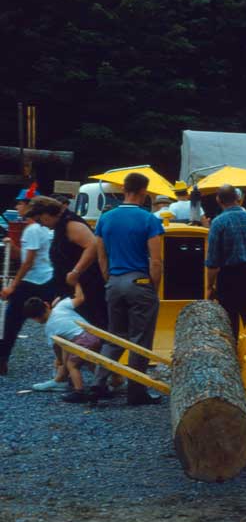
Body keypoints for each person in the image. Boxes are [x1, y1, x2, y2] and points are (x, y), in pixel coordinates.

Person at [94, 172, 164, 404]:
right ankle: (136, 392)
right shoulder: (149, 219)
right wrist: (153, 287)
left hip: (114, 281)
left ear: (124, 189)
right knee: (140, 339)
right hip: (139, 282)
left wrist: (109, 279)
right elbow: (156, 260)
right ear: (144, 191)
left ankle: (98, 384)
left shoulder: (106, 218)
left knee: (114, 336)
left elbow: (101, 256)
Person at [25, 196, 108, 330]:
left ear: (46, 213)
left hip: (88, 286)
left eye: (39, 220)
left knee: (94, 324)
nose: (41, 224)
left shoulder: (70, 224)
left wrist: (76, 271)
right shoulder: (60, 225)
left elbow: (93, 245)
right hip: (73, 286)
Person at [0, 188, 55, 375]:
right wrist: (13, 247)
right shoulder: (41, 229)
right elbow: (25, 257)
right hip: (46, 278)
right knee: (51, 319)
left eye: (20, 203)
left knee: (11, 320)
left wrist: (12, 286)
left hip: (34, 280)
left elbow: (28, 263)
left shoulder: (32, 229)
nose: (17, 206)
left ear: (30, 206)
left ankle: (2, 358)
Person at [205, 184, 246, 338]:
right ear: (238, 198)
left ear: (218, 199)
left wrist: (209, 286)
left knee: (230, 324)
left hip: (230, 278)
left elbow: (213, 261)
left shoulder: (218, 223)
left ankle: (234, 357)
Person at [23, 284, 102, 403]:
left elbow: (56, 346)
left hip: (83, 340)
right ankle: (102, 385)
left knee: (72, 365)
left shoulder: (49, 328)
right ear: (47, 304)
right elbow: (80, 298)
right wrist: (77, 283)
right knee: (90, 362)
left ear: (35, 319)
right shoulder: (61, 305)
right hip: (94, 335)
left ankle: (79, 392)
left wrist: (59, 360)